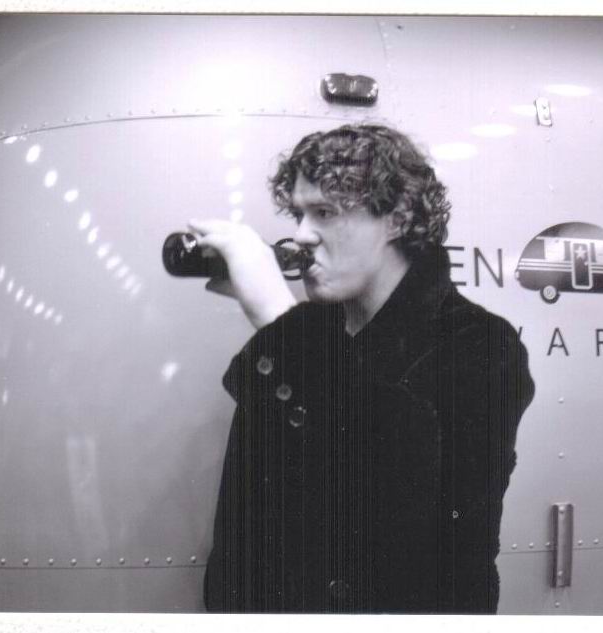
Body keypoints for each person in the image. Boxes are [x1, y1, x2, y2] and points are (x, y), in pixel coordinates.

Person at [192, 124, 534, 613]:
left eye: (325, 213)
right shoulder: (312, 334)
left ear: (396, 219)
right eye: (299, 213)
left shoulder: (481, 345)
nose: (302, 234)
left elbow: (405, 524)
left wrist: (275, 313)